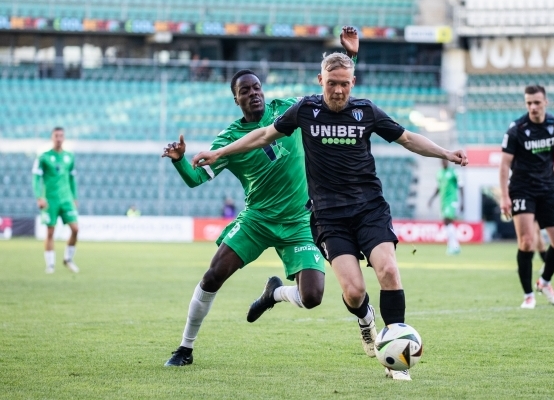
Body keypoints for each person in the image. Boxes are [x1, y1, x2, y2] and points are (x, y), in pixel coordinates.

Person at [192, 52, 468, 380]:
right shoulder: (306, 110)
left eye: (345, 84)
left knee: (389, 271)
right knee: (353, 292)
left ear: (353, 83)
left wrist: (446, 153)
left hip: (369, 209)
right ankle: (365, 324)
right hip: (328, 217)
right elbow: (264, 135)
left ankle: (396, 355)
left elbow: (407, 138)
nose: (338, 91)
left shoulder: (366, 111)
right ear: (321, 81)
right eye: (332, 83)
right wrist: (220, 152)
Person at [160, 27, 359, 368]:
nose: (253, 93)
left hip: (300, 220)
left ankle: (274, 294)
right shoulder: (230, 139)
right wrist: (180, 162)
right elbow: (195, 180)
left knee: (312, 297)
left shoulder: (287, 111)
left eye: (256, 87)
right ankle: (184, 347)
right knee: (213, 275)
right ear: (235, 99)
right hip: (258, 219)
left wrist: (349, 57)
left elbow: (331, 92)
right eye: (245, 91)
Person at [499, 85, 554, 309]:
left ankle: (544, 282)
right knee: (526, 242)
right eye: (529, 103)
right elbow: (504, 165)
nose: (533, 107)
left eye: (536, 102)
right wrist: (504, 196)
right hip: (522, 189)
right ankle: (528, 295)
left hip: (547, 189)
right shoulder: (516, 129)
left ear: (546, 102)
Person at [32, 127, 79, 274]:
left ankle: (68, 259)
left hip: (66, 199)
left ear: (64, 138)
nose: (59, 138)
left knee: (75, 229)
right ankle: (50, 265)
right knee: (50, 232)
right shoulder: (44, 157)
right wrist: (39, 196)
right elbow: (36, 177)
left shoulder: (69, 156)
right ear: (52, 137)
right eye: (56, 136)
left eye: (61, 136)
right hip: (50, 199)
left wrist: (74, 197)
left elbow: (72, 179)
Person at [428, 158, 464, 255]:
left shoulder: (453, 172)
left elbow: (461, 186)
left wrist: (462, 202)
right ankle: (454, 246)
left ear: (448, 161)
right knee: (447, 223)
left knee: (448, 221)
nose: (444, 162)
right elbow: (438, 188)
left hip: (452, 200)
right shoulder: (439, 173)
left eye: (445, 161)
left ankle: (453, 246)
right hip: (443, 202)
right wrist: (431, 199)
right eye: (442, 161)